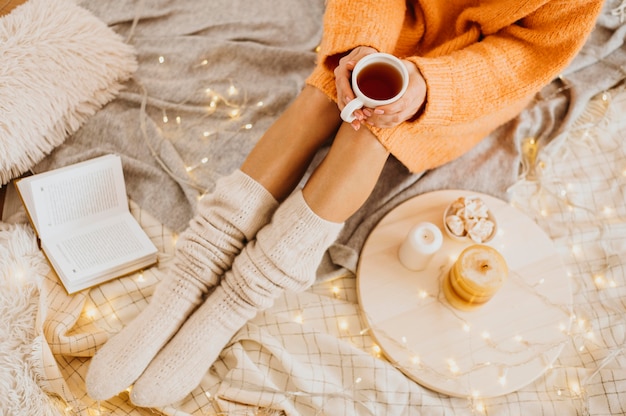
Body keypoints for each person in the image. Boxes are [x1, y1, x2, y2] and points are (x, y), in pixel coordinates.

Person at [86, 0, 603, 407]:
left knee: (371, 133)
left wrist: (427, 86)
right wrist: (361, 45)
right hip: (388, 24)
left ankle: (235, 302)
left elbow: (528, 56)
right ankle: (185, 282)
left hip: (466, 79)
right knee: (322, 96)